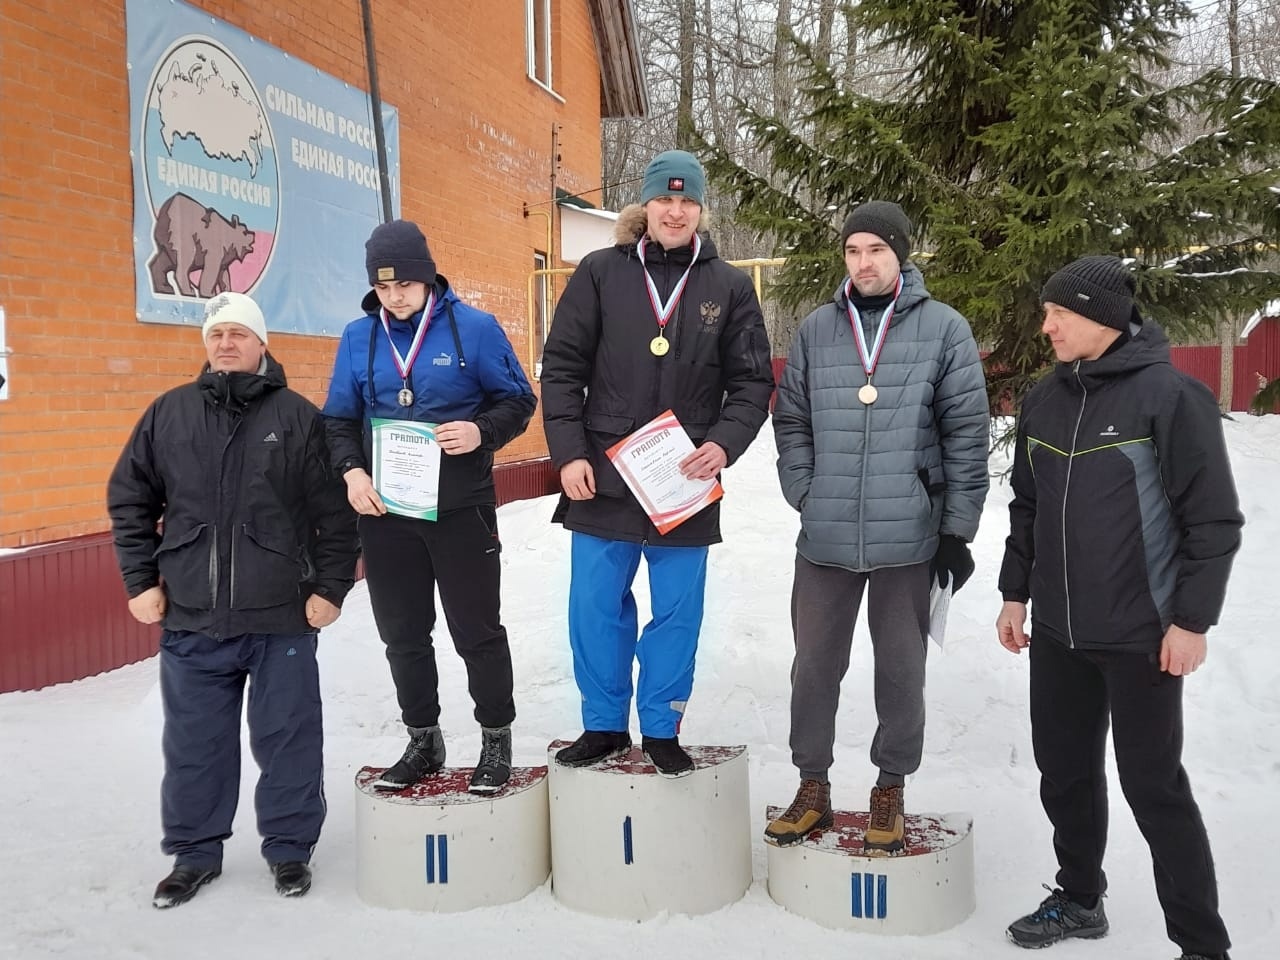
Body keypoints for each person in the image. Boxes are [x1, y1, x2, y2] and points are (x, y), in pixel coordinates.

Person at [996, 256, 1242, 960]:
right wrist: (1015, 593)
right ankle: (1079, 898)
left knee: (1153, 787)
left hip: (1143, 636)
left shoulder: (1170, 398)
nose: (1045, 326)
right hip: (1061, 633)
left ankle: (1202, 944)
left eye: (1057, 314)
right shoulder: (1045, 401)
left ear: (1099, 318)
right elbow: (1027, 508)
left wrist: (1191, 621)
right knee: (1064, 772)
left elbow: (1213, 522)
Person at [107, 292, 358, 908]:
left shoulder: (298, 418)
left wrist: (331, 587)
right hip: (192, 616)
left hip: (281, 616)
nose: (225, 342)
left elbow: (335, 514)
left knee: (290, 738)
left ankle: (290, 849)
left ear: (262, 345)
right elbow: (130, 500)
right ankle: (194, 855)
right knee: (195, 745)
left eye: (238, 333)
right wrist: (140, 581)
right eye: (215, 333)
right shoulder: (169, 414)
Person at [540, 149, 774, 777]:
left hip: (684, 477)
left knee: (677, 610)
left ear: (700, 209)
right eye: (664, 199)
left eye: (687, 201)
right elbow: (561, 370)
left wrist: (723, 443)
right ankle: (604, 724)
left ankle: (663, 724)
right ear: (643, 206)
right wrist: (568, 454)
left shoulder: (728, 286)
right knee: (594, 603)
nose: (675, 211)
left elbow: (753, 383)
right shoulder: (598, 273)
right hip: (603, 474)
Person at [765, 201, 989, 853]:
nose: (863, 263)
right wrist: (806, 489)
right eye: (852, 251)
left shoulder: (944, 330)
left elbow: (966, 435)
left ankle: (889, 788)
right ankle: (813, 787)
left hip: (909, 539)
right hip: (826, 537)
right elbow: (792, 420)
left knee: (899, 670)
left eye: (876, 250)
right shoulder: (815, 331)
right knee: (813, 669)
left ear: (901, 255)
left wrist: (956, 529)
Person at [323, 219, 536, 795]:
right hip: (386, 511)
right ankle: (423, 738)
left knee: (477, 630)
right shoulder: (358, 336)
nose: (394, 299)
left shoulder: (475, 329)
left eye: (405, 287)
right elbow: (339, 419)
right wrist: (351, 471)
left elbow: (519, 400)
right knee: (403, 633)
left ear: (427, 277)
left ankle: (496, 739)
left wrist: (481, 431)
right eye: (383, 289)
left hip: (459, 508)